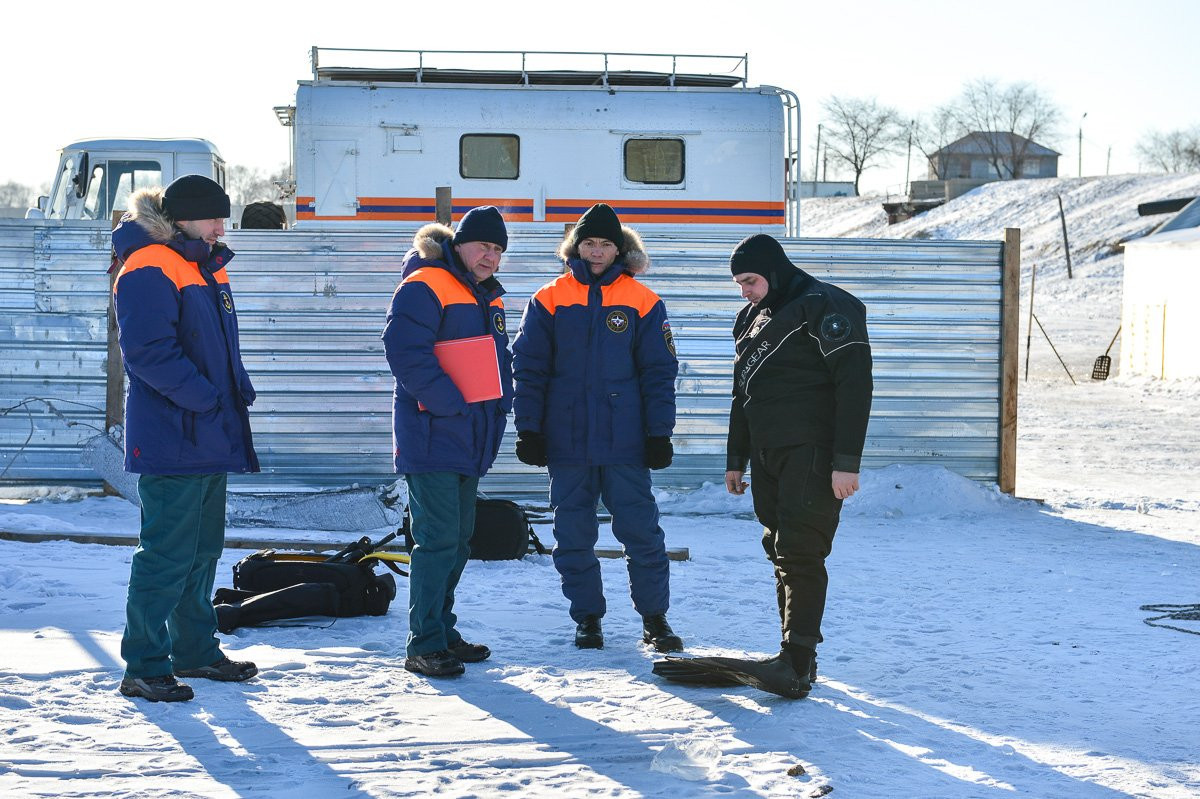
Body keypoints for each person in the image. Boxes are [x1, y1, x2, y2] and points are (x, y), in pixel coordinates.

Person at [112, 175, 260, 702]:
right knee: (166, 554)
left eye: (224, 216)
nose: (222, 226)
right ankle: (145, 664)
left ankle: (194, 651)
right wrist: (208, 399)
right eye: (212, 217)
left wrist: (234, 392)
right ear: (181, 220)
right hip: (176, 435)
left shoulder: (202, 265)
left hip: (208, 431)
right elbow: (149, 354)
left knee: (201, 551)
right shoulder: (149, 264)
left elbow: (215, 347)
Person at [512, 203, 681, 652]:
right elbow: (528, 368)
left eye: (606, 243)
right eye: (589, 242)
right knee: (572, 537)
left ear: (620, 248)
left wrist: (658, 434)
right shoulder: (548, 298)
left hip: (625, 443)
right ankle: (587, 618)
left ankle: (655, 619)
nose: (597, 250)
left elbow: (659, 373)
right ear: (575, 246)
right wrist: (529, 428)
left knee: (643, 534)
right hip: (567, 443)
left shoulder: (642, 300)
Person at [724, 233, 873, 698]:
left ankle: (796, 660)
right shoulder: (750, 318)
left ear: (773, 270)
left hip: (814, 451)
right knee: (779, 551)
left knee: (800, 551)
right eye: (739, 284)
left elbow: (855, 386)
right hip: (769, 453)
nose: (744, 291)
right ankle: (797, 658)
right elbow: (741, 393)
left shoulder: (827, 306)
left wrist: (846, 463)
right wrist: (736, 458)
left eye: (749, 281)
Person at [383, 206, 514, 678]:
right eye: (484, 246)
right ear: (459, 244)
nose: (491, 257)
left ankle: (441, 629)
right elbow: (403, 351)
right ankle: (423, 642)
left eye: (498, 250)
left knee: (457, 542)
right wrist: (449, 404)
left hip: (469, 436)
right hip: (434, 432)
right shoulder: (425, 283)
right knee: (437, 541)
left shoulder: (486, 296)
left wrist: (501, 408)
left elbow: (500, 364)